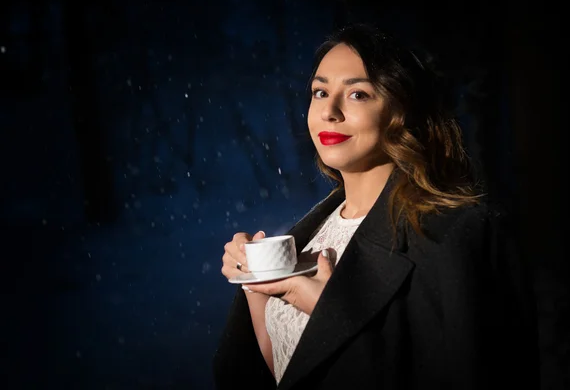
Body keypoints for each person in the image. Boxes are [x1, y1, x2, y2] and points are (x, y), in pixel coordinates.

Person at [212, 23, 539, 390]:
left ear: (403, 111)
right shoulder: (308, 235)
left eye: (358, 95)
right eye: (320, 92)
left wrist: (332, 312)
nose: (330, 112)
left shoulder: (455, 236)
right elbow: (290, 370)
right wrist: (255, 282)